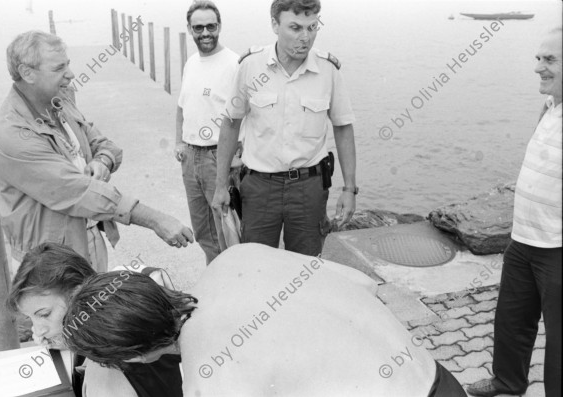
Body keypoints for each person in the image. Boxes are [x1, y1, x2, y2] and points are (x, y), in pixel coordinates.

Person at [65, 243, 466, 396]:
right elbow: (362, 282)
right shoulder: (234, 258)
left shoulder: (211, 379)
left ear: (135, 357)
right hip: (439, 376)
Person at [0, 31, 193, 274]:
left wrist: (102, 161)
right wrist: (156, 220)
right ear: (27, 73)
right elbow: (78, 191)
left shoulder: (59, 100)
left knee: (95, 310)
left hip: (89, 241)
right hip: (48, 262)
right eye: (59, 68)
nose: (71, 74)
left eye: (69, 65)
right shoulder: (11, 133)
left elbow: (105, 145)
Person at [211, 0, 358, 257]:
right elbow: (231, 123)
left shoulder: (328, 70)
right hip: (259, 187)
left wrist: (349, 189)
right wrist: (220, 185)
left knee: (305, 268)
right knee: (256, 264)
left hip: (309, 188)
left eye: (312, 27)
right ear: (275, 25)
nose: (306, 37)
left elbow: (343, 129)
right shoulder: (250, 66)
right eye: (295, 28)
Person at [467, 26, 562, 397]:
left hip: (557, 248)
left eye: (550, 59)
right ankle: (507, 382)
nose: (538, 67)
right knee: (511, 321)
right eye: (538, 58)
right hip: (523, 240)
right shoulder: (550, 107)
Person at [6, 242, 183, 397]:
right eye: (31, 319)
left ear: (77, 291)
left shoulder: (129, 321)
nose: (38, 330)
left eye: (44, 314)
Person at [174, 1, 239, 264]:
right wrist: (178, 142)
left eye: (210, 26)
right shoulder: (191, 63)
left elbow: (245, 116)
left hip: (218, 158)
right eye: (198, 27)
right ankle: (215, 281)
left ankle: (234, 286)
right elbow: (181, 107)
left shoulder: (234, 63)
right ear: (189, 29)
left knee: (228, 229)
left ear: (219, 26)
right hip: (190, 159)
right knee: (203, 232)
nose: (205, 33)